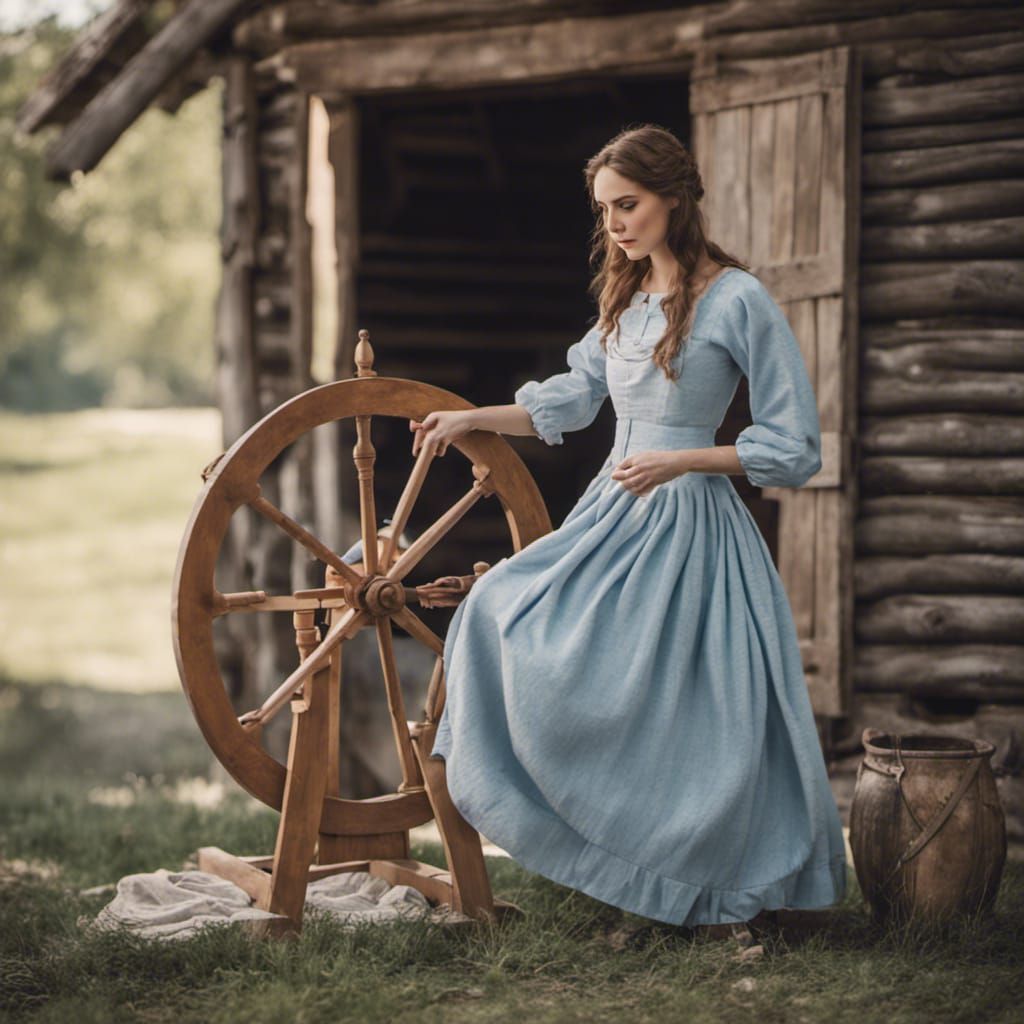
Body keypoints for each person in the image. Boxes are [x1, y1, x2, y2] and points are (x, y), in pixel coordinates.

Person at [412, 124, 848, 928]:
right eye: (604, 209)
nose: (615, 222)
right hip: (613, 516)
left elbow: (795, 449)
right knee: (502, 608)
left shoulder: (736, 299)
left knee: (685, 708)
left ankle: (699, 882)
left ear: (674, 199)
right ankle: (620, 865)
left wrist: (682, 463)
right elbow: (573, 400)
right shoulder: (625, 299)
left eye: (629, 204)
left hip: (692, 529)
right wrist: (468, 416)